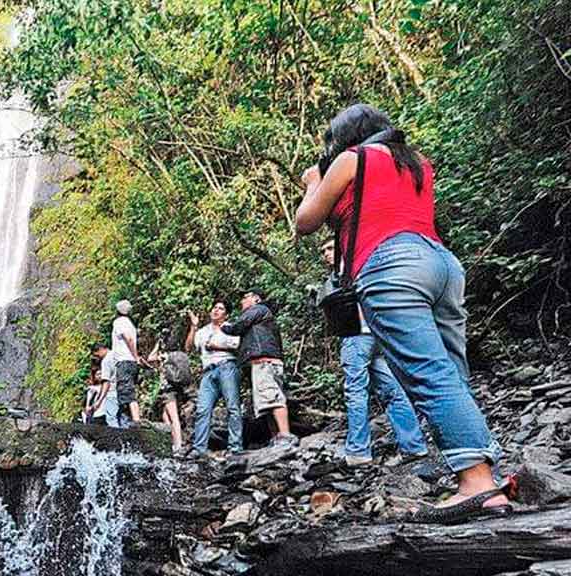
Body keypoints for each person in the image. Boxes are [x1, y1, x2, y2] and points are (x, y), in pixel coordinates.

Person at [295, 103, 510, 523]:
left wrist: (312, 182)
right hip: (442, 264)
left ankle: (478, 483)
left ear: (345, 137)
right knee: (450, 371)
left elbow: (306, 221)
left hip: (392, 267)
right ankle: (484, 472)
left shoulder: (351, 159)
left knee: (430, 375)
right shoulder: (417, 162)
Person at [319, 239, 428, 466]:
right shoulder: (366, 263)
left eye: (330, 249)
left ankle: (359, 450)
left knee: (356, 391)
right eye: (323, 251)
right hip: (375, 334)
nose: (326, 254)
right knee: (391, 389)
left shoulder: (345, 269)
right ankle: (413, 445)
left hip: (356, 335)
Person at [221, 289, 297, 447]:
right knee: (267, 402)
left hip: (265, 361)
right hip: (264, 360)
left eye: (245, 297)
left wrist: (225, 326)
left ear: (255, 299)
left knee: (274, 399)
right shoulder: (262, 314)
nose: (241, 301)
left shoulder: (258, 309)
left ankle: (286, 435)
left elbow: (238, 326)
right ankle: (277, 438)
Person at [184, 300, 244, 457]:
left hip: (227, 367)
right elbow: (188, 348)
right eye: (214, 307)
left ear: (226, 314)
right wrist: (194, 326)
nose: (216, 310)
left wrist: (217, 347)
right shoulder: (203, 331)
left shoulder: (231, 328)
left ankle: (235, 448)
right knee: (203, 410)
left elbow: (239, 347)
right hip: (208, 372)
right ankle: (199, 449)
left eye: (221, 308)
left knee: (232, 407)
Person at [146, 331, 191, 452]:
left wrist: (157, 344)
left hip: (167, 390)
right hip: (175, 389)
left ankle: (178, 445)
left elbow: (150, 358)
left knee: (173, 418)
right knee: (165, 417)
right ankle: (173, 443)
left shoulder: (164, 357)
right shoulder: (179, 355)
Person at [110, 300, 145, 425]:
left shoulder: (119, 322)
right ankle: (130, 421)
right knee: (128, 389)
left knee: (126, 391)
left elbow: (128, 338)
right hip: (130, 361)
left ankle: (135, 420)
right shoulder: (130, 323)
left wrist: (135, 356)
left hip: (124, 361)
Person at [89, 343, 120, 427]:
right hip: (123, 390)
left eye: (97, 355)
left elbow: (106, 382)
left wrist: (99, 400)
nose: (98, 357)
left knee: (111, 419)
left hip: (112, 393)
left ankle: (117, 439)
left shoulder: (106, 361)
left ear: (100, 350)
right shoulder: (117, 354)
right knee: (122, 419)